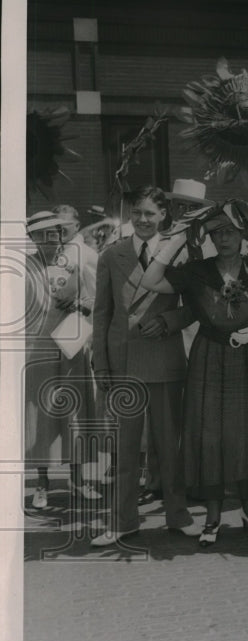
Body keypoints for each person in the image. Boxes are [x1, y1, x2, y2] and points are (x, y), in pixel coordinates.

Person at [140, 205, 248, 547]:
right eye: (218, 233)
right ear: (210, 238)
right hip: (207, 356)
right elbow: (150, 280)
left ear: (243, 235)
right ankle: (213, 517)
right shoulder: (196, 271)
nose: (225, 238)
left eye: (231, 232)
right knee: (208, 434)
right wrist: (174, 240)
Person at [90, 187, 200, 546]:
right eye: (137, 212)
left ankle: (178, 515)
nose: (142, 219)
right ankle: (123, 522)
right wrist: (102, 365)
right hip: (124, 364)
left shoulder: (179, 255)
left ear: (164, 216)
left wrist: (170, 321)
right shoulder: (111, 255)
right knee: (124, 449)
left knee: (169, 447)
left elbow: (195, 306)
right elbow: (102, 313)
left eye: (150, 213)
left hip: (165, 359)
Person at [24, 211, 102, 509]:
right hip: (36, 351)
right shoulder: (22, 267)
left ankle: (78, 479)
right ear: (31, 238)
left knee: (76, 413)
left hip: (71, 345)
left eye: (54, 234)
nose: (50, 241)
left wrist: (83, 306)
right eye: (41, 235)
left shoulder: (76, 262)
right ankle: (42, 485)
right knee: (39, 416)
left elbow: (95, 298)